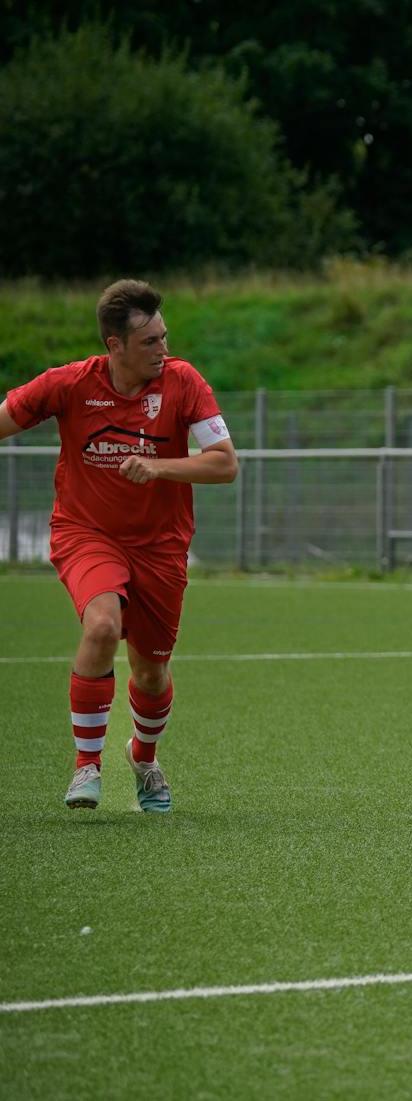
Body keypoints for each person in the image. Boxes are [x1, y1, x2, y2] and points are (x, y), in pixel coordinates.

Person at [0, 280, 239, 812]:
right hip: (87, 533)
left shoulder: (184, 383)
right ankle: (86, 766)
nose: (164, 350)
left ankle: (144, 758)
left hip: (161, 546)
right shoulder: (69, 385)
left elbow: (225, 464)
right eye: (151, 342)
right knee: (103, 624)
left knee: (152, 671)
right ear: (116, 346)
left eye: (164, 336)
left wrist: (158, 467)